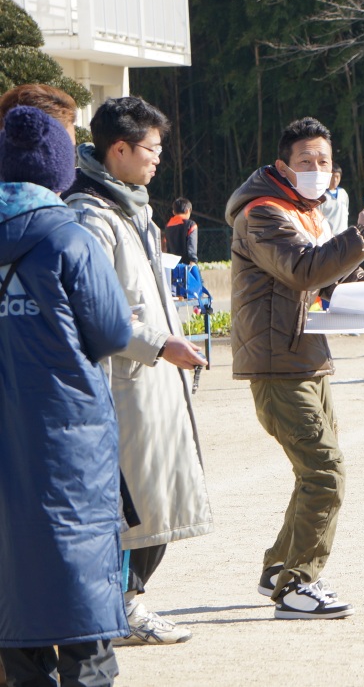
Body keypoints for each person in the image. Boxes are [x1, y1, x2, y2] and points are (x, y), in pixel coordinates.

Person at [226, 116, 364, 619]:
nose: (316, 168)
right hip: (278, 362)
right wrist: (362, 233)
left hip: (305, 357)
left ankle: (278, 567)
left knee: (313, 471)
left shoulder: (305, 212)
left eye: (323, 161)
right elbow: (306, 269)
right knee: (325, 472)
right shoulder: (264, 213)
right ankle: (297, 586)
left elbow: (335, 273)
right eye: (305, 160)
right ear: (283, 166)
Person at [65, 97, 213, 646]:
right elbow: (95, 309)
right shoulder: (90, 215)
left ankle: (123, 607)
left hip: (152, 378)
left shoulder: (132, 208)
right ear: (120, 150)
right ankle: (120, 611)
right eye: (151, 149)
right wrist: (160, 343)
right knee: (132, 508)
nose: (158, 159)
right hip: (123, 383)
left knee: (154, 502)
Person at [0, 106, 132, 687]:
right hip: (69, 433)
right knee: (81, 587)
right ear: (60, 171)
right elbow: (112, 332)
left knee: (14, 590)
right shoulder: (70, 239)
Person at [163, 197, 198, 265]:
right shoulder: (191, 225)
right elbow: (192, 244)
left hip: (172, 265)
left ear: (173, 212)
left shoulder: (167, 226)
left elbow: (167, 247)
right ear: (187, 211)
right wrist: (193, 260)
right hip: (186, 265)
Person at [322, 164, 351, 235]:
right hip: (328, 237)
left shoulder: (343, 193)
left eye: (337, 177)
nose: (335, 180)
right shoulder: (321, 196)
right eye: (332, 177)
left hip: (343, 235)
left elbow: (346, 213)